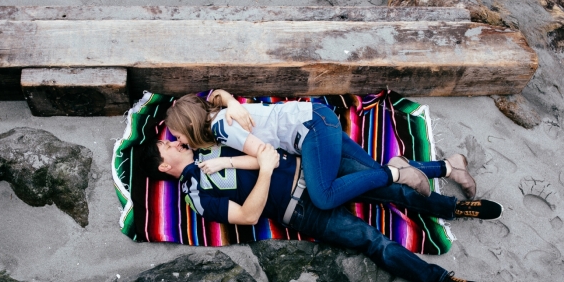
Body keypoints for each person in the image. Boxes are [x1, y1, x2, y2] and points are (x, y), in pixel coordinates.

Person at [137, 138, 503, 282]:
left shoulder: (206, 144)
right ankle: (442, 281)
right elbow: (247, 216)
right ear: (164, 166)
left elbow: (257, 142)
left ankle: (451, 208)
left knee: (390, 186)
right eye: (168, 145)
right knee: (372, 241)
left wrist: (259, 158)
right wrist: (265, 171)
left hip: (314, 168)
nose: (175, 141)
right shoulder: (196, 197)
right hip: (303, 210)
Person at [163, 91, 477, 211]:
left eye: (176, 134)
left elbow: (263, 155)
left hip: (312, 131)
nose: (177, 140)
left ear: (189, 125)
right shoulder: (218, 118)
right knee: (370, 178)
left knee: (324, 196)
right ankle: (449, 167)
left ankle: (397, 169)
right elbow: (216, 93)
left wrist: (225, 162)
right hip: (316, 120)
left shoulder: (222, 128)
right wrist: (230, 101)